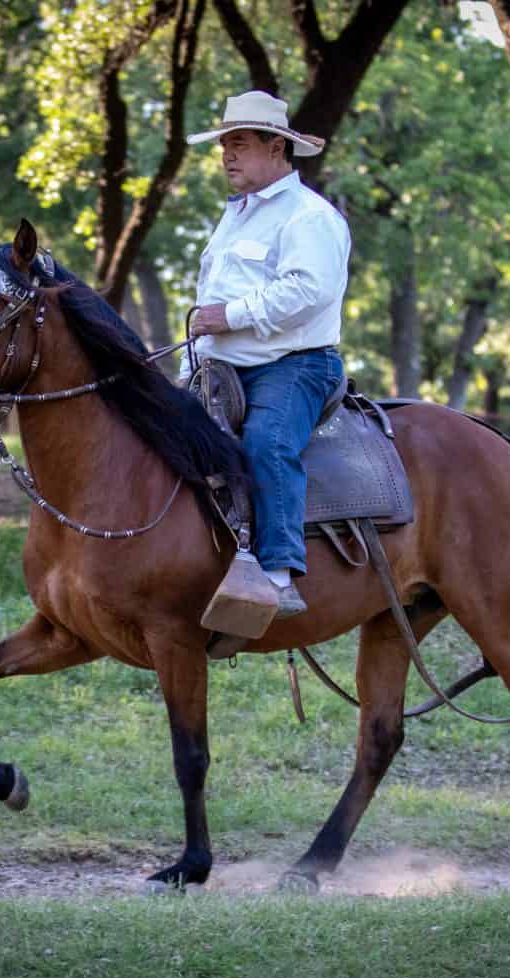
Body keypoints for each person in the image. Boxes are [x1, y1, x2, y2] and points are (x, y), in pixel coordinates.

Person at [181, 91, 351, 618]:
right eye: (223, 145)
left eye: (239, 144)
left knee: (266, 443)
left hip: (294, 365)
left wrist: (228, 317)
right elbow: (207, 306)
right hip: (222, 368)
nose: (227, 155)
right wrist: (189, 367)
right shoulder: (235, 218)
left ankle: (278, 577)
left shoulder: (309, 217)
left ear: (277, 147)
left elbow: (307, 292)